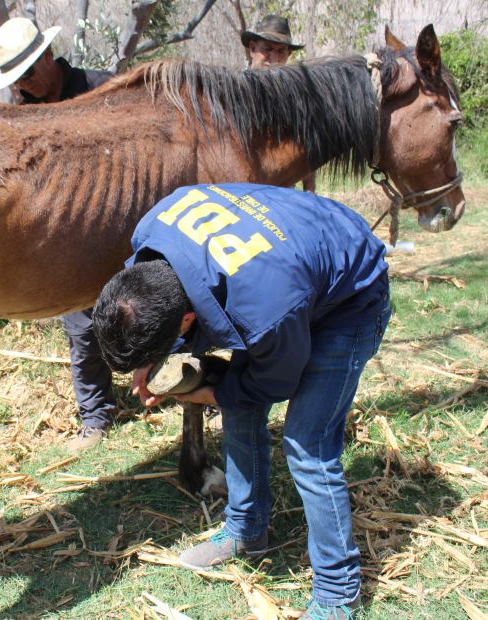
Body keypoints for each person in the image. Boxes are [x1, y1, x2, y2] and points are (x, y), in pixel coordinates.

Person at [92, 183, 391, 620]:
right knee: (240, 406)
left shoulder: (266, 312)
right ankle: (247, 529)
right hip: (281, 264)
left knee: (308, 444)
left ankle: (337, 589)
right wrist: (152, 360)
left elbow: (272, 383)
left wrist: (204, 391)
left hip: (349, 299)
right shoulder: (151, 232)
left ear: (187, 319)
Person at [0, 17, 116, 452]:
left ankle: (187, 387)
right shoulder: (20, 115)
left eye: (28, 73)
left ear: (46, 56)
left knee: (153, 309)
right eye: (17, 80)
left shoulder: (103, 91)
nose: (25, 85)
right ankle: (95, 418)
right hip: (67, 238)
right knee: (82, 330)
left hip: (122, 223)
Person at [242, 15, 316, 192]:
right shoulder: (233, 89)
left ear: (289, 54)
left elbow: (305, 147)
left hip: (282, 191)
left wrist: (310, 191)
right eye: (267, 48)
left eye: (281, 51)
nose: (274, 57)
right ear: (252, 48)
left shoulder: (296, 96)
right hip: (240, 189)